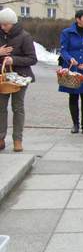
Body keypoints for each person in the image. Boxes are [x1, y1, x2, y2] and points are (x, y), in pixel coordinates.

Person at [0, 8, 36, 152]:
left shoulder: (24, 36)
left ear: (13, 24)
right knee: (1, 108)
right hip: (2, 78)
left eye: (5, 24)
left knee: (17, 108)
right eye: (1, 24)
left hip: (20, 78)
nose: (2, 27)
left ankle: (17, 140)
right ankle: (1, 137)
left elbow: (32, 59)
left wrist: (13, 59)